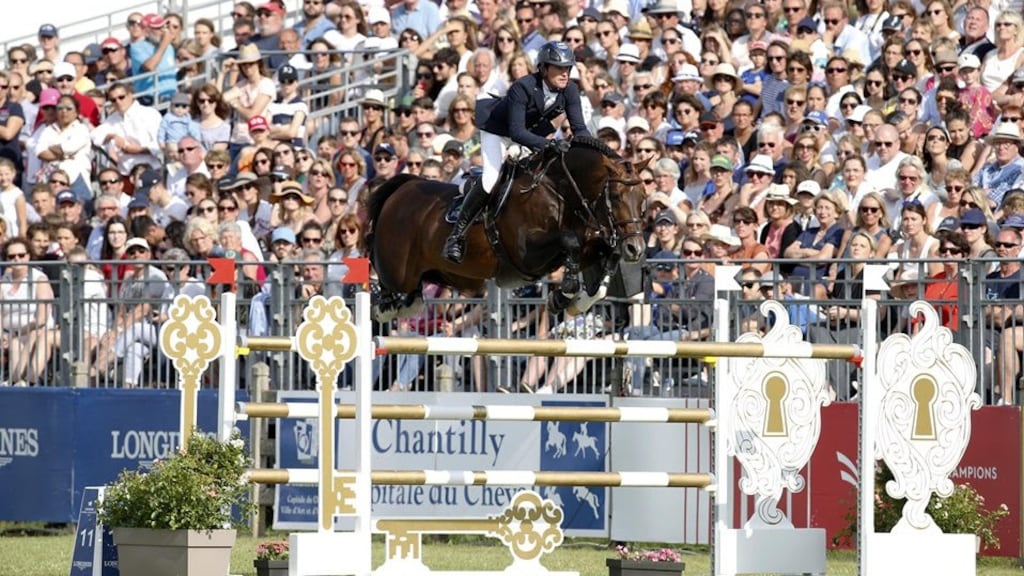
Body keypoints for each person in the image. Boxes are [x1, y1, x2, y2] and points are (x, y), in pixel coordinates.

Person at [442, 41, 590, 264]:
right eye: (559, 68)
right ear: (544, 68)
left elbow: (580, 129)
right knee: (491, 179)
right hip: (499, 131)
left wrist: (596, 150)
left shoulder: (570, 90)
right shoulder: (523, 86)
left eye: (567, 68)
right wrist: (549, 144)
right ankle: (456, 237)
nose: (565, 73)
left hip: (531, 133)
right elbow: (516, 132)